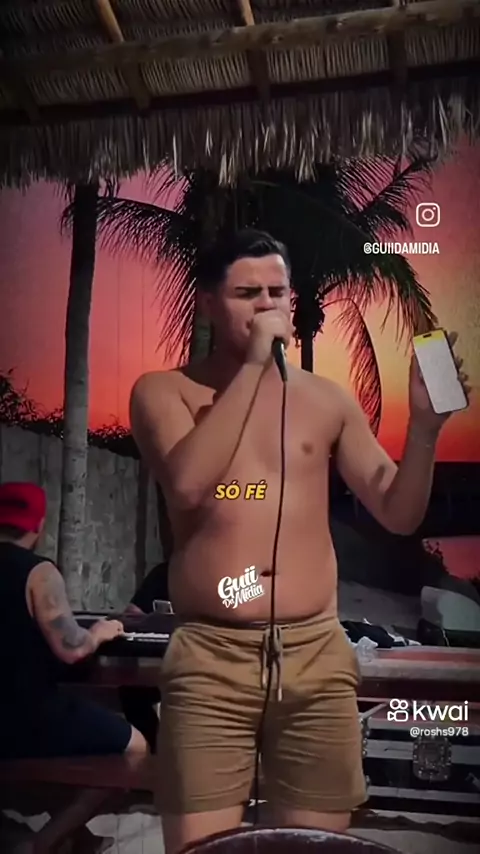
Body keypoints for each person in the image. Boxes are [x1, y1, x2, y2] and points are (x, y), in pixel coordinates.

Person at [129, 229, 470, 854]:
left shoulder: (325, 401)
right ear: (208, 302)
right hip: (211, 656)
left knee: (313, 847)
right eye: (247, 293)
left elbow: (397, 512)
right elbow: (188, 485)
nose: (267, 305)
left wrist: (424, 431)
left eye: (277, 292)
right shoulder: (165, 391)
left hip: (315, 651)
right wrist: (253, 369)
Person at [0, 481, 148, 759]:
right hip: (26, 714)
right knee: (136, 744)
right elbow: (72, 649)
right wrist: (99, 632)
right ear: (39, 525)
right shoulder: (40, 573)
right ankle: (71, 795)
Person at [119, 561, 169, 750]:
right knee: (131, 692)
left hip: (208, 664)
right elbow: (133, 613)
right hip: (167, 661)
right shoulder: (165, 571)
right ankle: (156, 750)